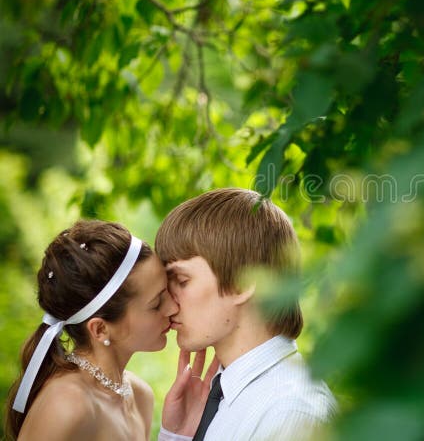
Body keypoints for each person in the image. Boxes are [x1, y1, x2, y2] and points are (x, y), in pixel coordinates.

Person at [155, 188, 337, 441]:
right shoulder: (223, 396)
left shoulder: (289, 412)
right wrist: (178, 436)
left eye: (182, 280)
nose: (168, 303)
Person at [4, 219, 184, 440]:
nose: (174, 307)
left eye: (167, 290)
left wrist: (177, 434)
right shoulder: (66, 405)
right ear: (100, 329)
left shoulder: (140, 396)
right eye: (156, 304)